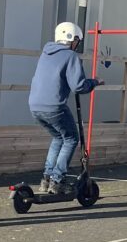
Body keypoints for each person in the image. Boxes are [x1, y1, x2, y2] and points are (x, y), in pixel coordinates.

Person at [28, 22, 102, 195]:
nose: (77, 44)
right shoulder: (70, 56)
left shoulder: (46, 53)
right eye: (77, 40)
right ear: (72, 39)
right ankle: (57, 180)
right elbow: (79, 86)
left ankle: (46, 179)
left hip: (35, 106)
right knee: (71, 139)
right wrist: (95, 82)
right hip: (54, 107)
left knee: (58, 137)